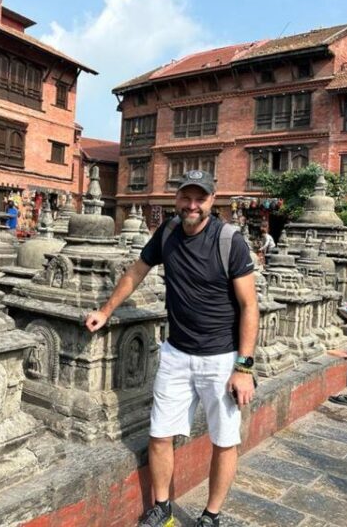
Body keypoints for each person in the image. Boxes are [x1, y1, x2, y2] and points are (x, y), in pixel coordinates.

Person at [85, 169, 258, 527]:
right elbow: (136, 272)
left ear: (212, 201)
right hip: (176, 353)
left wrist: (244, 367)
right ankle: (161, 506)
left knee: (224, 439)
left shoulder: (229, 240)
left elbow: (249, 306)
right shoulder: (166, 233)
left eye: (200, 198)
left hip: (220, 358)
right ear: (176, 199)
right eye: (186, 197)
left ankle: (211, 515)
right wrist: (105, 311)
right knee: (160, 433)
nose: (192, 205)